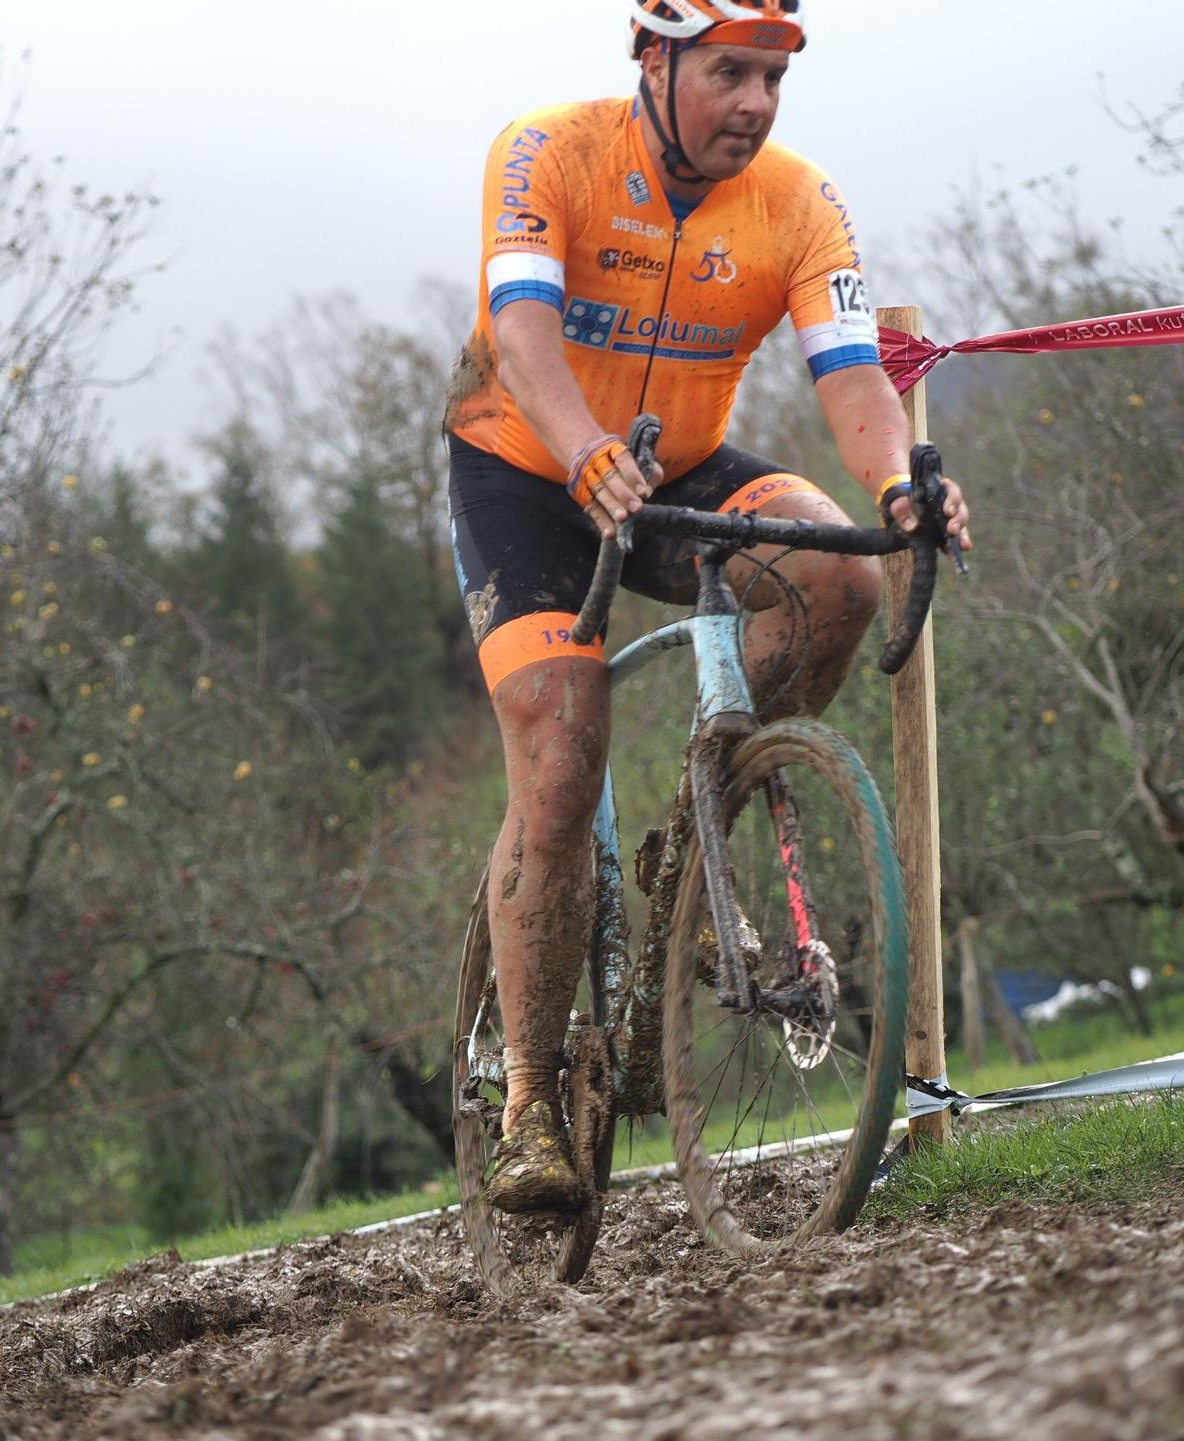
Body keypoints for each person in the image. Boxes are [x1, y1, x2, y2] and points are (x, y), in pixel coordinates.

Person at [443, 0, 971, 1213]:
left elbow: (849, 370)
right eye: (728, 72)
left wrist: (895, 485)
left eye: (772, 79)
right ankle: (527, 1101)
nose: (754, 103)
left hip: (674, 465)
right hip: (524, 471)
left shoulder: (797, 199)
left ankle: (699, 825)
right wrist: (578, 452)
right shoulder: (547, 151)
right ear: (652, 57)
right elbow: (520, 334)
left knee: (839, 575)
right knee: (564, 751)